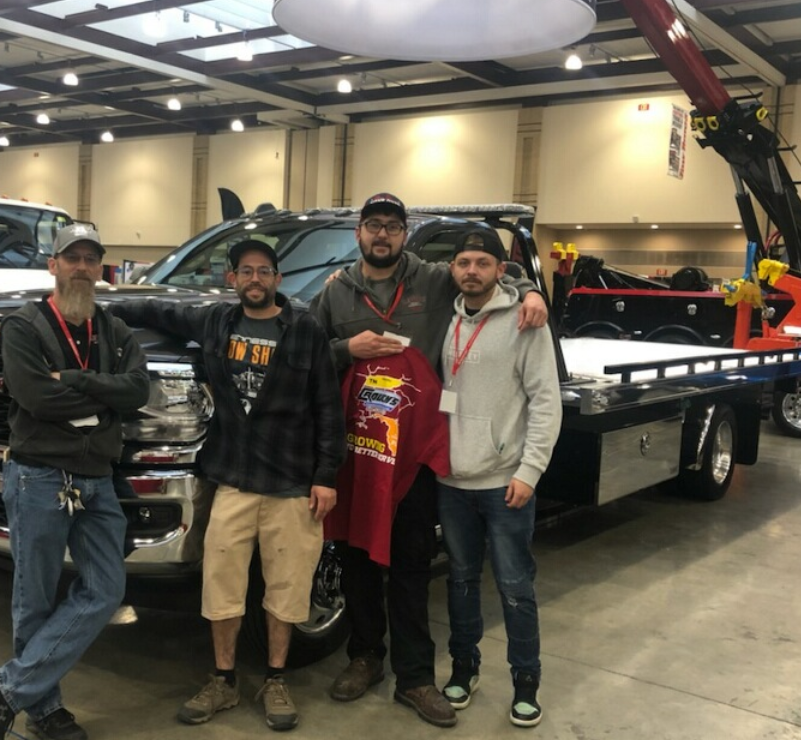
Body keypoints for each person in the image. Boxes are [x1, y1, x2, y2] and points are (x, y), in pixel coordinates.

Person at [309, 192, 549, 728]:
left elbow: (491, 276)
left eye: (393, 227)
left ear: (403, 234)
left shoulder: (434, 279)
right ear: (359, 232)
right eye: (374, 225)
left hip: (415, 456)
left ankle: (415, 677)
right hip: (360, 452)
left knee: (411, 565)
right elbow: (305, 353)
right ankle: (365, 657)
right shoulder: (335, 293)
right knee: (357, 560)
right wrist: (347, 350)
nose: (383, 235)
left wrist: (533, 292)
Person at [110, 239, 346, 732]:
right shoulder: (216, 321)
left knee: (287, 589)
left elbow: (328, 408)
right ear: (232, 278)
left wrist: (326, 477)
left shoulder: (305, 330)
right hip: (233, 481)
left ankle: (275, 679)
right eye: (246, 271)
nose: (255, 279)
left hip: (291, 483)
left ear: (277, 279)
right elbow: (156, 310)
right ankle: (223, 679)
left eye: (264, 271)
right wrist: (101, 305)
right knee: (221, 587)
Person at [0, 223, 151, 740]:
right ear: (52, 265)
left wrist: (76, 380)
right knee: (34, 597)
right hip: (39, 475)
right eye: (71, 258)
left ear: (101, 268)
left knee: (106, 588)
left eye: (90, 259)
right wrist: (106, 397)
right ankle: (45, 710)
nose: (81, 267)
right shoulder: (24, 326)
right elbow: (37, 398)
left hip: (97, 478)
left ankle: (9, 687)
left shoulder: (114, 330)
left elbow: (138, 390)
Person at [436, 225, 562, 728]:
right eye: (464, 263)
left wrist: (530, 471)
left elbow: (546, 401)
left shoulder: (526, 321)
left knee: (514, 586)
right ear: (453, 269)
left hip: (505, 482)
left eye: (482, 263)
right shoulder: (445, 317)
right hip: (452, 482)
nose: (472, 271)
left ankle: (526, 683)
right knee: (461, 582)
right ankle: (464, 670)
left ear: (500, 269)